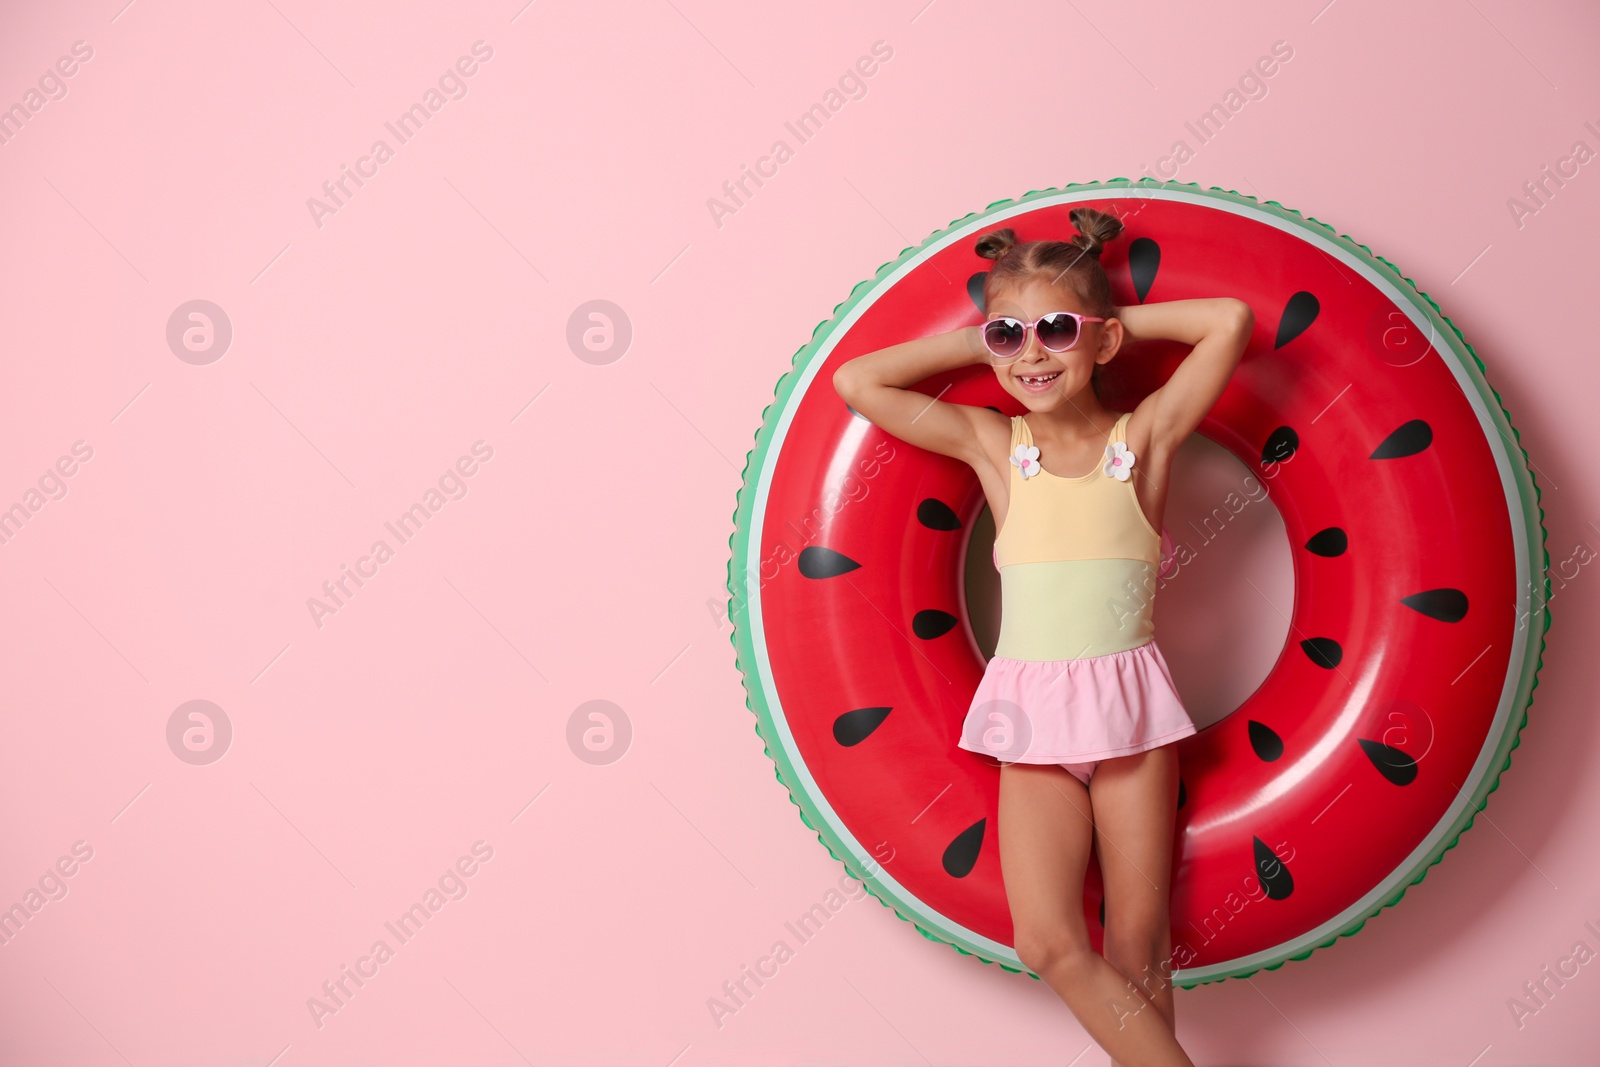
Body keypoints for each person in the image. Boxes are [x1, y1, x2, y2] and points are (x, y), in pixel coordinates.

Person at [832, 207, 1252, 1066]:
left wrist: (1105, 326)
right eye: (1009, 336)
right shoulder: (997, 445)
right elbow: (859, 381)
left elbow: (1228, 323)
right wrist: (992, 339)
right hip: (1030, 722)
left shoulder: (1143, 439)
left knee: (1139, 945)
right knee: (1050, 943)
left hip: (1131, 716)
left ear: (1101, 343)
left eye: (1057, 331)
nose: (1031, 354)